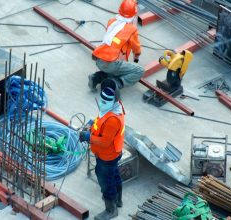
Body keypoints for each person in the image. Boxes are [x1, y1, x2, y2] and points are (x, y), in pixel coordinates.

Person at [80, 79, 125, 220]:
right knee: (114, 175)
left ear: (113, 101)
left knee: (106, 181)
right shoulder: (113, 108)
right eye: (102, 99)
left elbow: (105, 142)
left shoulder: (113, 120)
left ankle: (111, 210)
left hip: (107, 155)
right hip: (113, 153)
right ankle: (118, 200)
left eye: (105, 102)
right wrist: (91, 124)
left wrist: (88, 136)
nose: (101, 103)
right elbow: (100, 120)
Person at [89, 0, 144, 92]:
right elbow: (136, 48)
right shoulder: (131, 30)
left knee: (114, 69)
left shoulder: (112, 21)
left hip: (99, 58)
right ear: (134, 14)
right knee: (139, 71)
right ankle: (116, 83)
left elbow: (116, 37)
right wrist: (137, 55)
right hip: (112, 63)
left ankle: (96, 77)